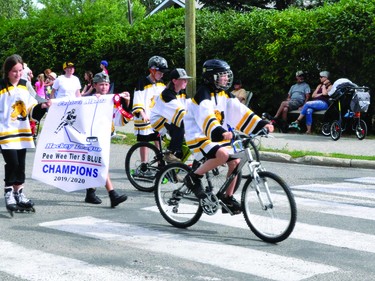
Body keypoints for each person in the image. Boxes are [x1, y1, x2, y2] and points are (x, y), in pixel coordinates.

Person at [183, 59, 274, 214]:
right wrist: (219, 132)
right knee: (223, 154)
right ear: (211, 77)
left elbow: (242, 111)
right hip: (199, 135)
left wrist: (261, 124)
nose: (226, 78)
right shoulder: (203, 94)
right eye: (222, 75)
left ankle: (227, 197)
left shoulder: (225, 94)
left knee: (236, 161)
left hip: (216, 136)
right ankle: (193, 177)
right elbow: (206, 116)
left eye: (226, 75)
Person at [0, 54, 50, 214]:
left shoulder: (25, 85)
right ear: (7, 71)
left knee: (21, 164)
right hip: (5, 132)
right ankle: (8, 192)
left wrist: (42, 107)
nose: (18, 74)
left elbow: (32, 106)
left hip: (22, 132)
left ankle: (19, 193)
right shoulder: (1, 86)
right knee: (12, 163)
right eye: (14, 71)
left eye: (20, 70)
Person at [84, 72, 129, 207]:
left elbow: (122, 116)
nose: (104, 87)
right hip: (94, 136)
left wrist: (126, 100)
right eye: (101, 84)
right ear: (94, 85)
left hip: (106, 134)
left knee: (96, 163)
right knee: (101, 163)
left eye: (106, 84)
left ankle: (90, 192)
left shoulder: (111, 98)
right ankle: (112, 194)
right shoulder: (91, 99)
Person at [150, 68, 191, 163]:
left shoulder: (181, 92)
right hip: (159, 121)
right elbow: (180, 112)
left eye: (187, 79)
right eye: (183, 79)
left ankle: (173, 171)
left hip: (168, 119)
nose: (186, 81)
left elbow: (192, 106)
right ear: (174, 81)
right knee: (181, 125)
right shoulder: (167, 94)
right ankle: (170, 153)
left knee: (184, 144)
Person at [132, 55, 168, 161]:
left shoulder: (161, 84)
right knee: (144, 141)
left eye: (163, 73)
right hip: (145, 117)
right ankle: (144, 164)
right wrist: (142, 113)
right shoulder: (142, 82)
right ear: (152, 70)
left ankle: (160, 163)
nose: (162, 75)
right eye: (159, 72)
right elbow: (138, 98)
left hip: (156, 118)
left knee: (158, 140)